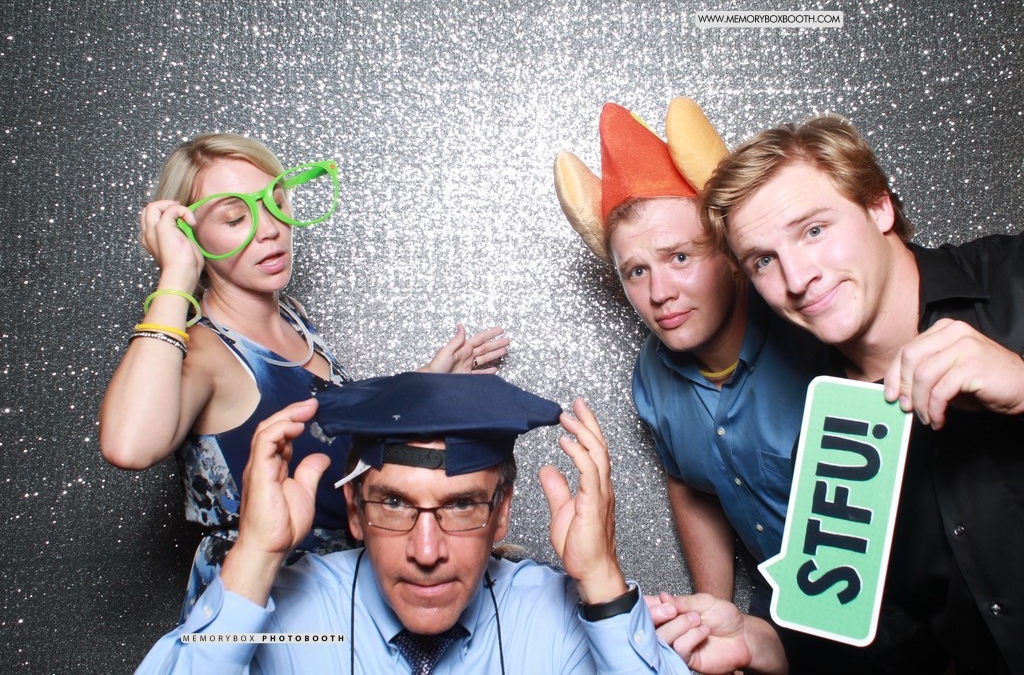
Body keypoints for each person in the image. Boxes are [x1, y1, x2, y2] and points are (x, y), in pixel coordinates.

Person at [98, 134, 509, 621]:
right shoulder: (206, 352)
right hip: (263, 606)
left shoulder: (291, 319)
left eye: (276, 202)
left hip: (342, 599)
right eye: (235, 218)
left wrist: (424, 386)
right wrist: (176, 276)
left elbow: (326, 428)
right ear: (190, 237)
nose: (271, 229)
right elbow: (128, 446)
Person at [699, 114, 1024, 674]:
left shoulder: (1014, 277)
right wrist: (766, 644)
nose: (796, 278)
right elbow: (897, 632)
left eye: (813, 230)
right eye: (763, 261)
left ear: (878, 207)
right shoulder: (826, 438)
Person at [135, 372, 713, 674]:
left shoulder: (554, 618)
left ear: (501, 513)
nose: (427, 550)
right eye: (394, 504)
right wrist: (254, 558)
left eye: (461, 506)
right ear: (355, 511)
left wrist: (603, 584)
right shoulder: (292, 620)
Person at [555, 98, 826, 613]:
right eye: (636, 271)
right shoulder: (651, 375)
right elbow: (689, 483)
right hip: (779, 620)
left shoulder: (815, 331)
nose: (659, 293)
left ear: (733, 253)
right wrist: (713, 608)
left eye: (679, 257)